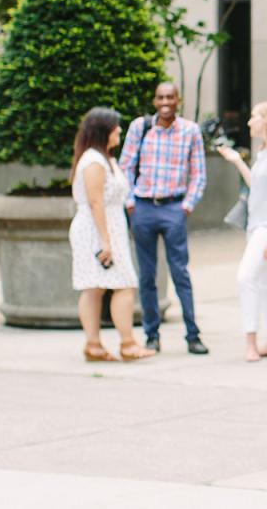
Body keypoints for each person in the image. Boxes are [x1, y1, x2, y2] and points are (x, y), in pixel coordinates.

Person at [118, 81, 209, 355]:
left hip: (173, 208)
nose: (165, 102)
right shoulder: (140, 127)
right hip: (143, 208)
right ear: (154, 101)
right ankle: (151, 335)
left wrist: (187, 206)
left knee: (180, 272)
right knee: (147, 276)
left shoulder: (190, 131)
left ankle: (193, 335)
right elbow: (125, 167)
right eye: (160, 97)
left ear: (177, 100)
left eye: (170, 97)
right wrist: (131, 203)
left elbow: (199, 173)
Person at [68, 107, 155, 363]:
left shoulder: (105, 158)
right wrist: (105, 241)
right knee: (122, 284)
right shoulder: (94, 161)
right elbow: (96, 202)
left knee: (96, 287)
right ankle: (126, 343)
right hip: (97, 230)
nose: (119, 130)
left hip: (108, 227)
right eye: (115, 126)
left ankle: (94, 345)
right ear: (103, 131)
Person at [217, 101, 267, 363]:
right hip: (258, 224)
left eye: (254, 117)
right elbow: (258, 187)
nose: (249, 122)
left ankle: (251, 341)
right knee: (265, 282)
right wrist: (236, 162)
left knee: (246, 277)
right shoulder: (265, 151)